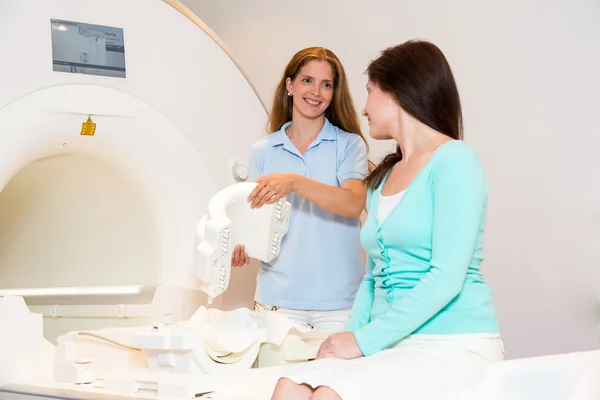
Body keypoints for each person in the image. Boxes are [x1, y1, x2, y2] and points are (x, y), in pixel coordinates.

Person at [270, 40, 504, 400]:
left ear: (397, 90)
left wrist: (363, 341)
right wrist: (344, 340)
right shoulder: (384, 176)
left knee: (328, 394)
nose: (363, 109)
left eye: (369, 92)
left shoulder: (455, 161)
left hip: (451, 341)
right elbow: (373, 277)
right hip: (391, 340)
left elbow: (446, 276)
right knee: (289, 387)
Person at [231, 47, 370, 334]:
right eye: (307, 80)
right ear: (290, 85)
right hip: (277, 300)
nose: (316, 91)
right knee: (276, 380)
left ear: (333, 93)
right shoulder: (263, 151)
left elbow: (353, 204)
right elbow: (257, 219)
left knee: (336, 380)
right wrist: (239, 243)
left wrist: (295, 182)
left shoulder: (349, 145)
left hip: (340, 303)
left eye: (326, 84)